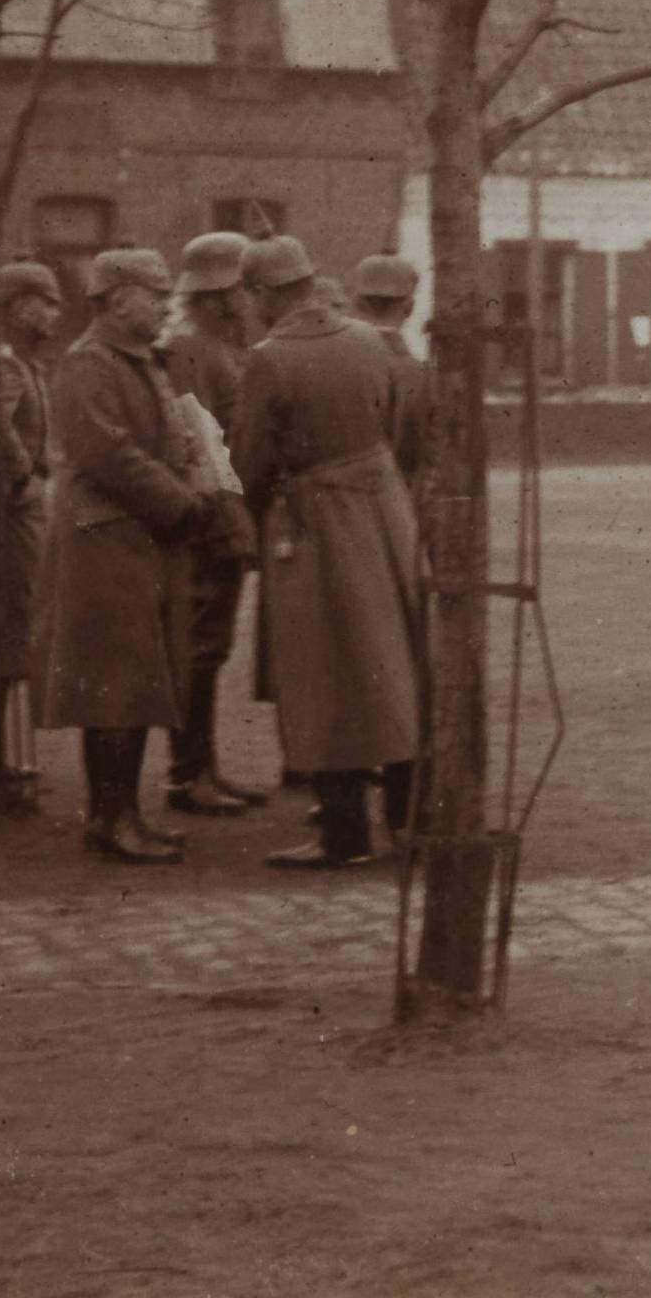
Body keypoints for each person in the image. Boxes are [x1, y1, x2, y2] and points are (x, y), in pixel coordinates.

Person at [230, 231, 425, 870]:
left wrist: (242, 511)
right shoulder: (369, 341)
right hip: (387, 516)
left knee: (325, 673)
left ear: (264, 293)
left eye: (251, 293)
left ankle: (343, 835)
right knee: (399, 662)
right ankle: (409, 819)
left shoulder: (268, 359)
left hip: (315, 528)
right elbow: (392, 424)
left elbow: (247, 464)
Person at [31, 249, 205, 863]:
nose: (166, 305)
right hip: (103, 542)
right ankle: (110, 819)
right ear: (119, 297)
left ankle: (123, 812)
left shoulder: (136, 361)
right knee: (111, 686)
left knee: (130, 686)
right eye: (157, 294)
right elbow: (110, 454)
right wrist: (182, 506)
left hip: (135, 541)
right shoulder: (87, 366)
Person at [157, 230, 271, 814]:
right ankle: (185, 774)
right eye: (241, 289)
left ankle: (205, 767)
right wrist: (227, 519)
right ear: (222, 294)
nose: (249, 300)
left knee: (213, 644)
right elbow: (198, 441)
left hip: (227, 510)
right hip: (207, 516)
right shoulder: (188, 349)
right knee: (199, 645)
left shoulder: (223, 347)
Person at [0, 261, 63, 806]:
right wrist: (24, 476)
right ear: (19, 307)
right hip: (9, 515)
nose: (55, 311)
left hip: (22, 510)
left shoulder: (26, 365)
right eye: (46, 301)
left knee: (16, 627)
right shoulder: (3, 367)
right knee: (6, 628)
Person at [349, 255, 429, 487]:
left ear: (357, 304)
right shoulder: (419, 374)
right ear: (410, 307)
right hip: (398, 502)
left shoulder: (332, 364)